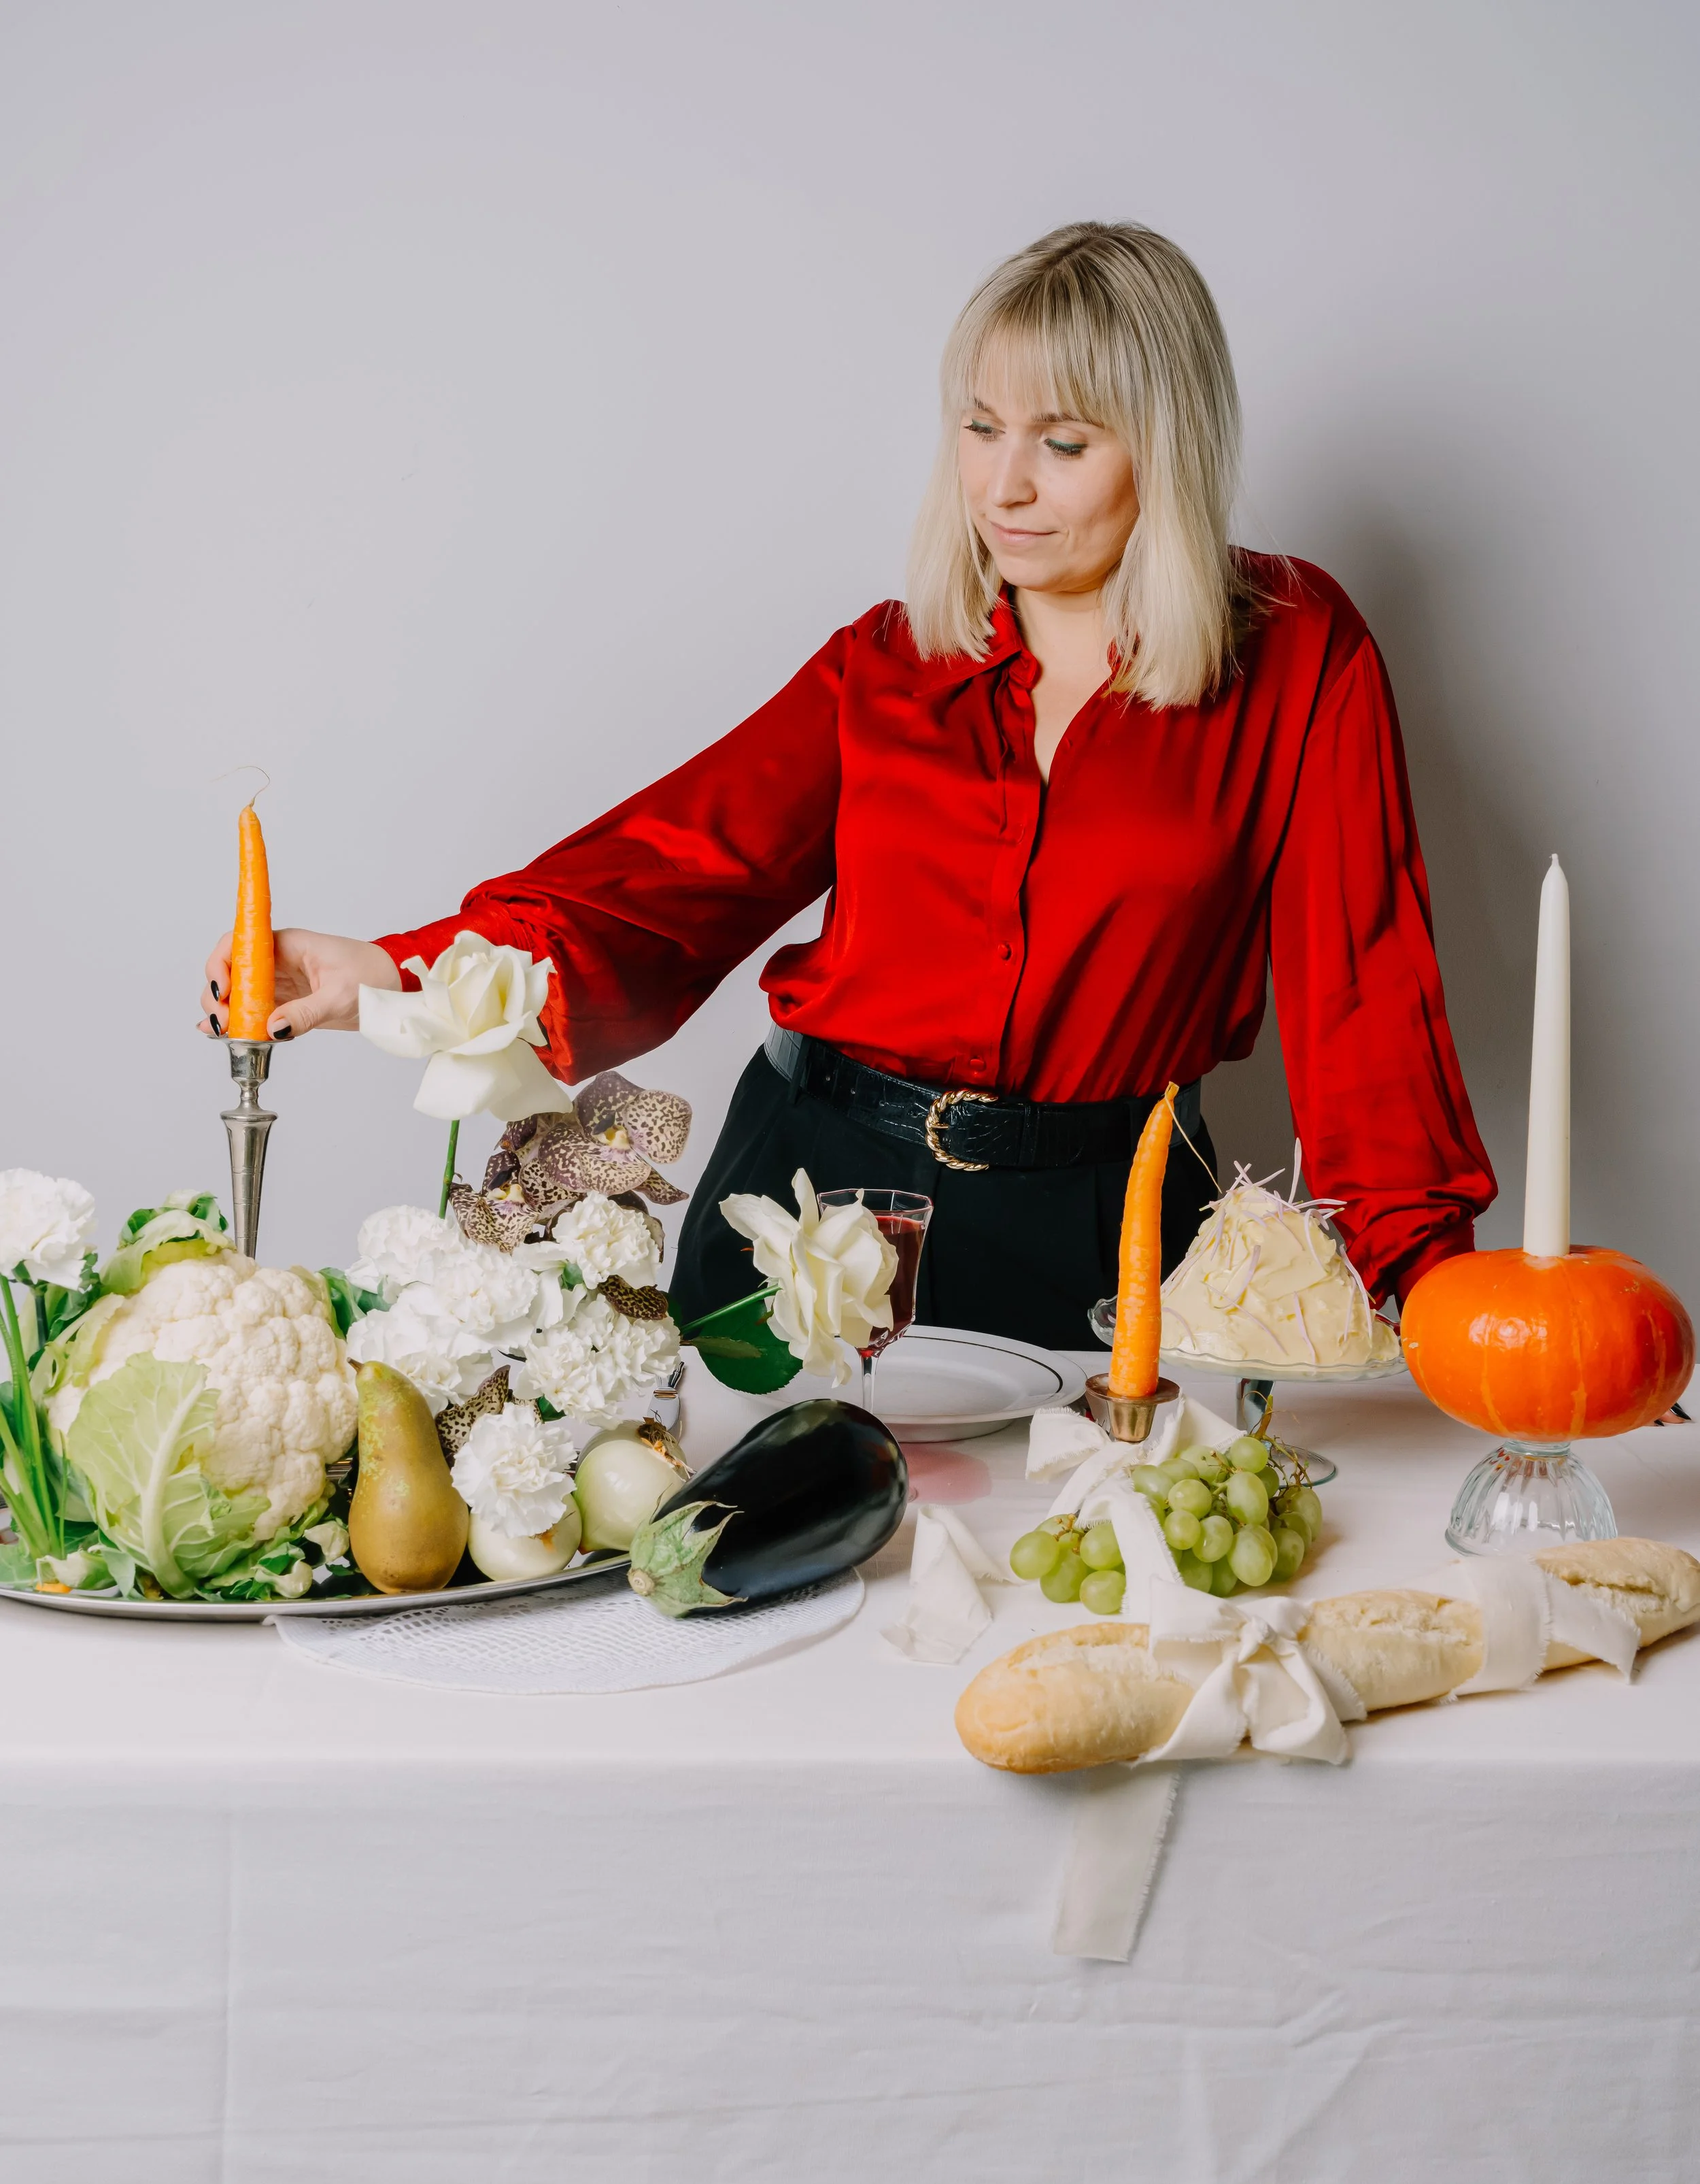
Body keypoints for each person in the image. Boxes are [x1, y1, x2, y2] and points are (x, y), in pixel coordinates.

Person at [201, 220, 1495, 1350]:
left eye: (1063, 441)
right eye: (980, 430)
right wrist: (397, 971)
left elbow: (1365, 988)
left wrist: (1429, 1294)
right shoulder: (887, 665)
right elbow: (674, 872)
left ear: (1168, 445)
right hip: (818, 1212)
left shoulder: (1295, 650)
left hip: (1119, 1250)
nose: (1004, 485)